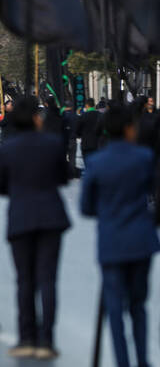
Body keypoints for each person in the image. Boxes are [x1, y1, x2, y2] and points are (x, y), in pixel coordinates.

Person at [81, 105, 160, 367]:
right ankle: (142, 360)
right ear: (129, 128)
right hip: (141, 239)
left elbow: (86, 206)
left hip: (112, 241)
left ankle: (122, 361)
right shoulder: (144, 157)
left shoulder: (96, 162)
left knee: (115, 308)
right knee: (138, 305)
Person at [0, 97, 69, 359]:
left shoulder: (6, 149)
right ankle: (46, 340)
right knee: (47, 280)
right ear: (35, 119)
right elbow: (63, 176)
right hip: (51, 217)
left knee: (24, 280)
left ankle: (26, 337)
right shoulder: (53, 144)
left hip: (21, 218)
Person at [76, 98, 102, 166]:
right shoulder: (100, 115)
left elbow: (78, 130)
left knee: (88, 165)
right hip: (97, 144)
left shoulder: (83, 115)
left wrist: (79, 135)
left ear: (87, 105)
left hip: (86, 144)